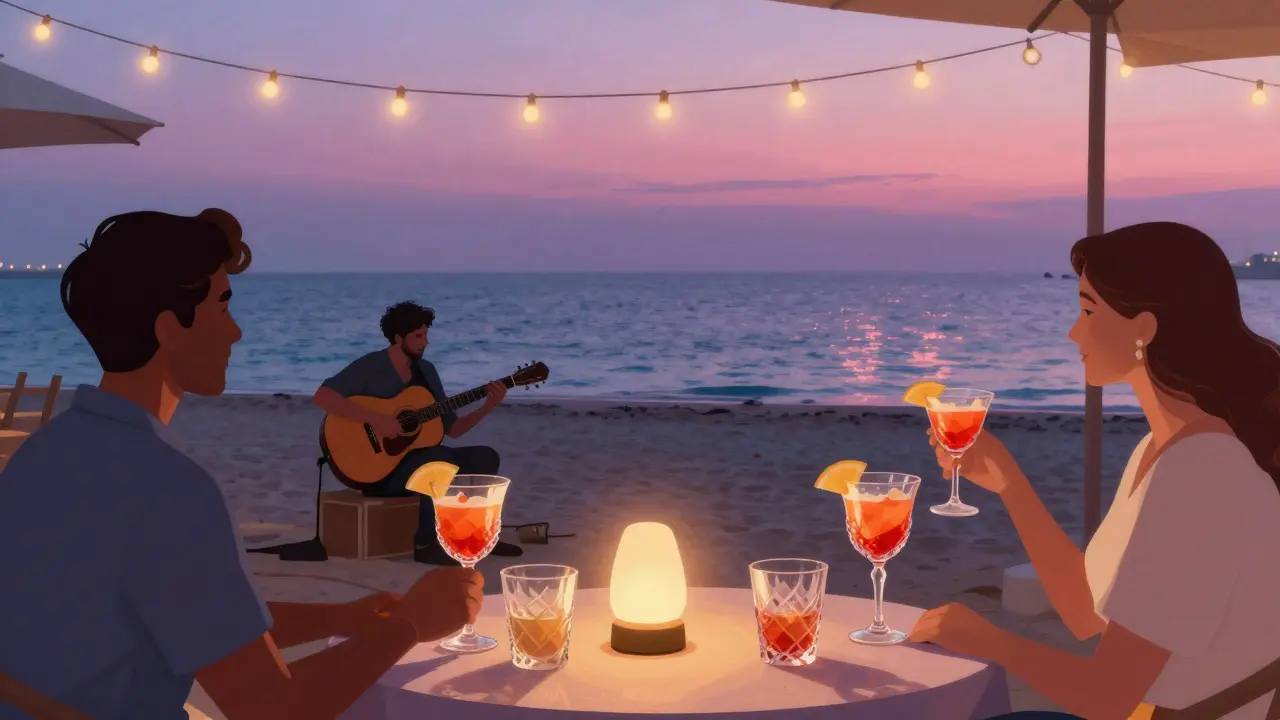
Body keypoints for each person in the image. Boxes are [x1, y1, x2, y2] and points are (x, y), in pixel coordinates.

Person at [0, 210, 483, 720]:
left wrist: (341, 618)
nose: (236, 333)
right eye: (222, 306)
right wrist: (410, 626)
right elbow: (274, 709)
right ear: (169, 329)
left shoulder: (46, 452)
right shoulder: (170, 490)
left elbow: (191, 617)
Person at [909, 222, 1280, 720]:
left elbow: (1105, 698)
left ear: (1144, 328)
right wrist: (1009, 483)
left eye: (1088, 311)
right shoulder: (1164, 447)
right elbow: (1087, 615)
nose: (1074, 332)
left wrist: (988, 639)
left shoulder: (1202, 475)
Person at [313, 300, 520, 566]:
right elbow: (323, 396)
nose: (425, 342)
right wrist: (377, 419)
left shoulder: (426, 372)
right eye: (418, 336)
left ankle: (478, 534)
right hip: (378, 473)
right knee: (436, 456)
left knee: (485, 458)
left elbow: (453, 430)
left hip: (419, 462)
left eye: (426, 335)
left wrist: (487, 407)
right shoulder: (371, 366)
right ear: (398, 338)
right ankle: (426, 543)